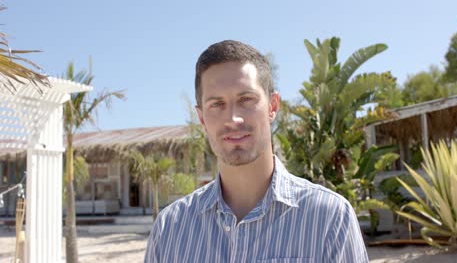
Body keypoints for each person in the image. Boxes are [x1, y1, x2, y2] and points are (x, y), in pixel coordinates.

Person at [144, 40, 369, 262]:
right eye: (217, 104)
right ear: (202, 117)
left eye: (246, 99)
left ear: (272, 107)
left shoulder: (330, 218)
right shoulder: (169, 230)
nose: (233, 119)